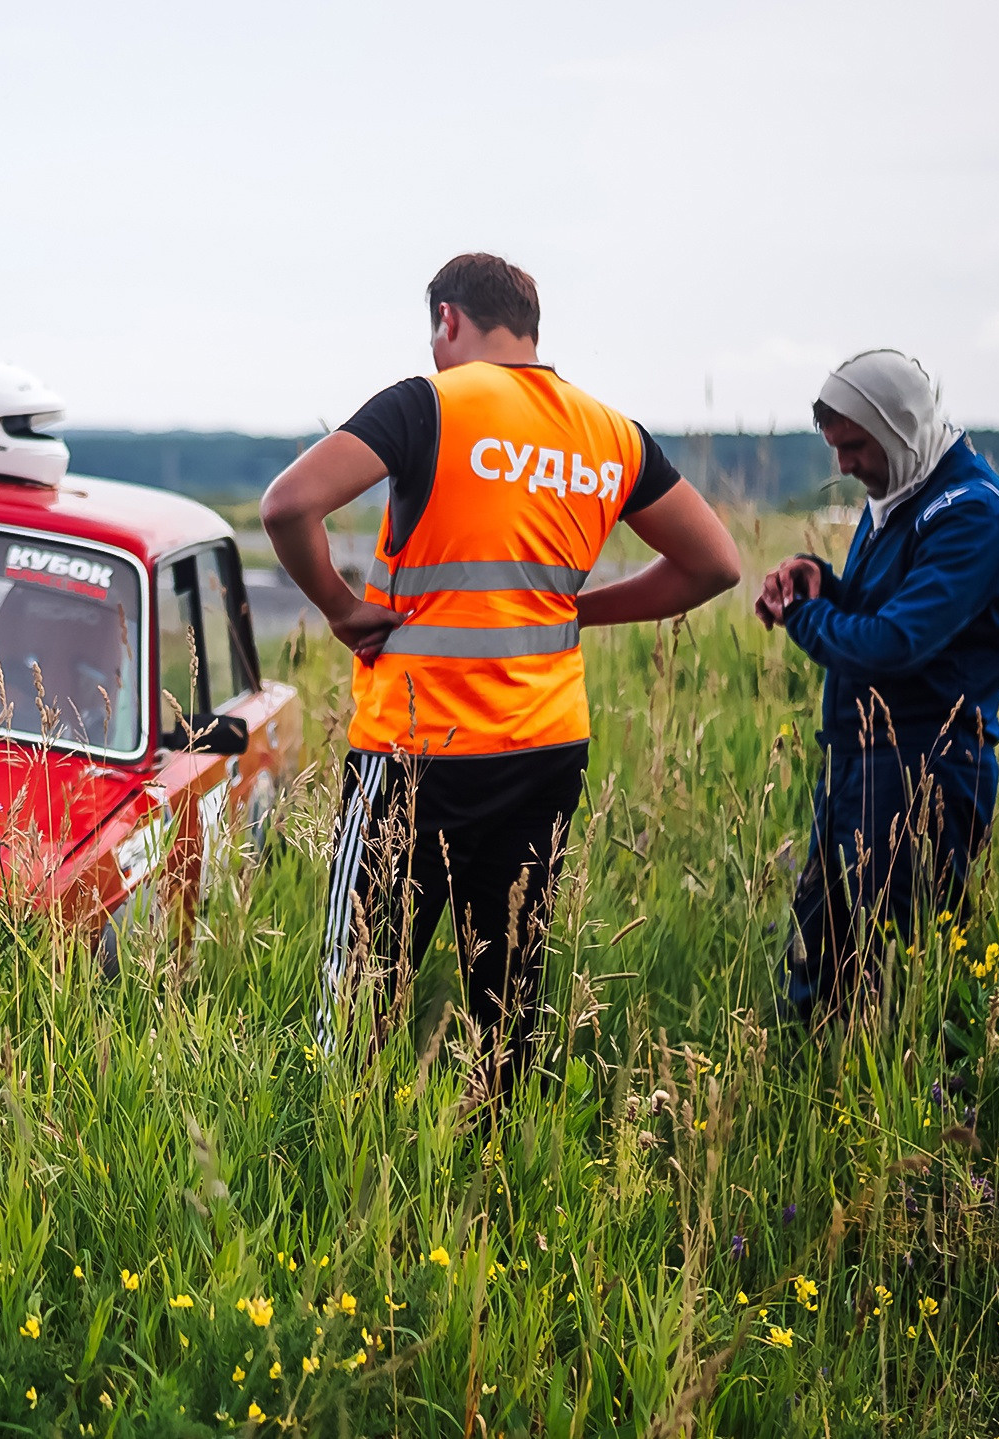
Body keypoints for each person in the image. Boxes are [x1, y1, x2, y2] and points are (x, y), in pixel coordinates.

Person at [260, 253, 741, 1086]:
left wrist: (340, 609)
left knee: (360, 989)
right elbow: (716, 564)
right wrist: (580, 609)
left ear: (448, 320)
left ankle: (338, 1147)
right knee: (507, 998)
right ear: (532, 330)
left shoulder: (431, 403)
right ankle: (493, 1174)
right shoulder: (608, 433)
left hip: (414, 753)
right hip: (544, 753)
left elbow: (287, 503)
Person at [753, 350, 999, 1021]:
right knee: (824, 948)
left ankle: (917, 1113)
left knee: (898, 973)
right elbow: (883, 608)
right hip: (859, 763)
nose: (844, 466)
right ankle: (822, 1100)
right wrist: (820, 577)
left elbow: (895, 644)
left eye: (854, 447)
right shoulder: (902, 495)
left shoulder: (974, 515)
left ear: (899, 427)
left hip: (924, 772)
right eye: (836, 450)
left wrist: (801, 613)